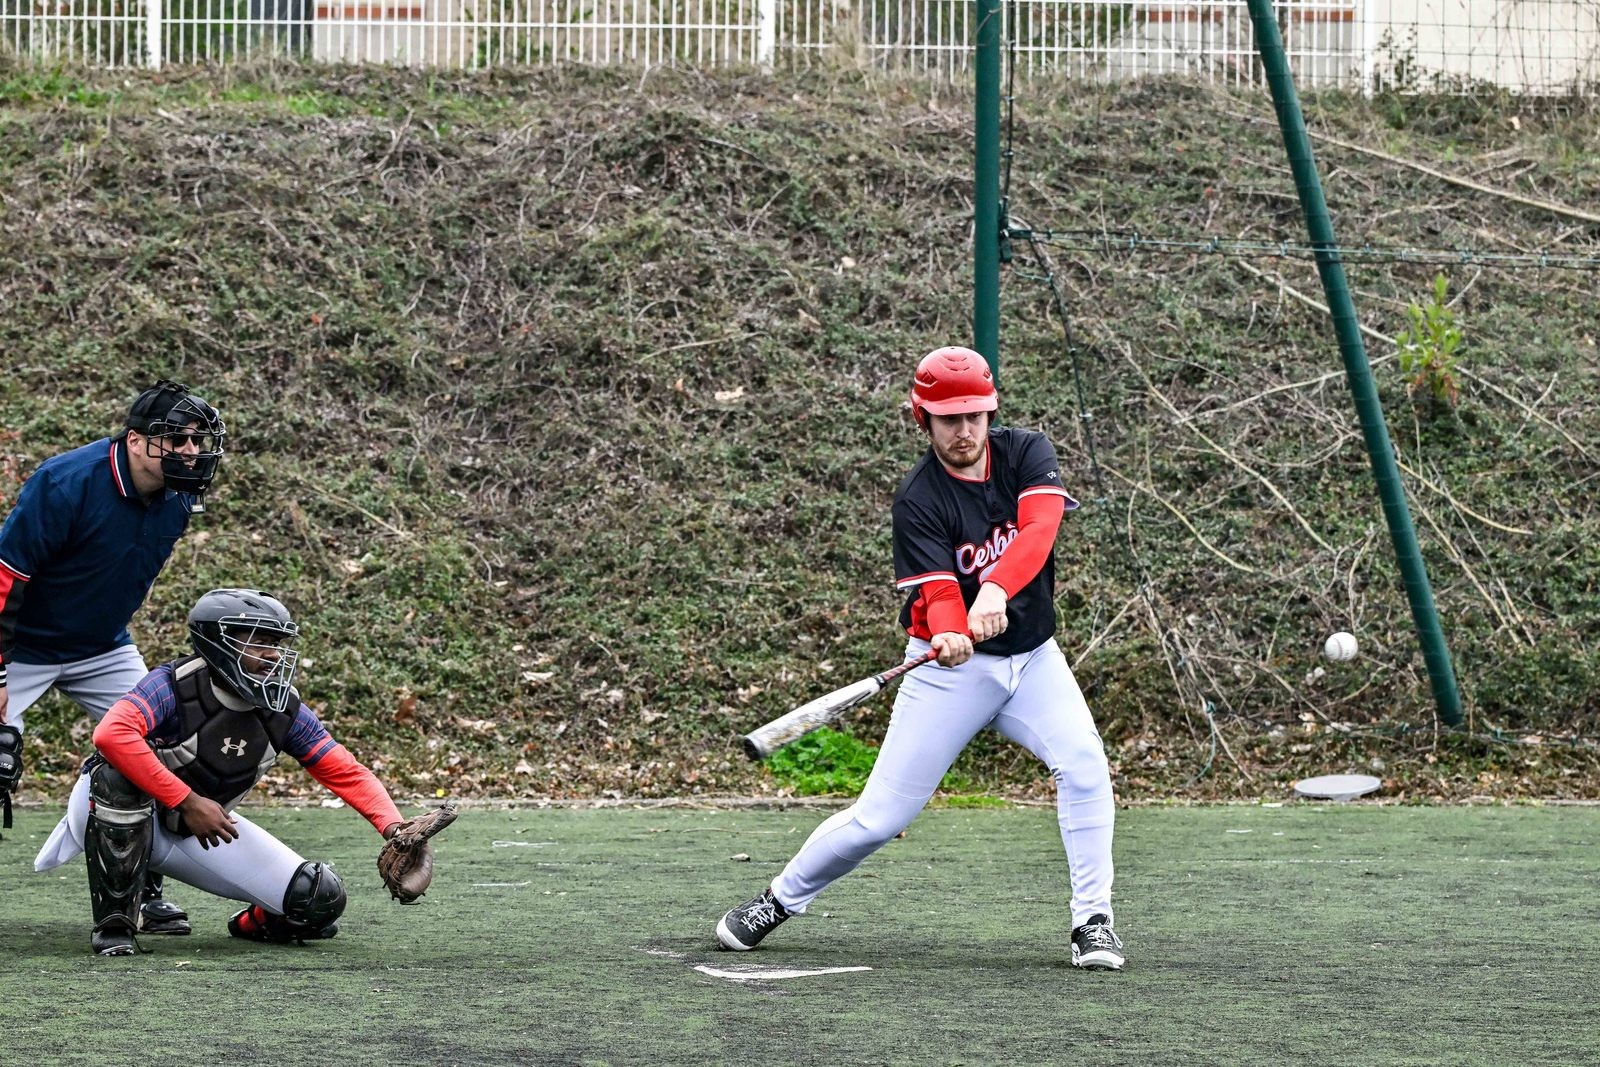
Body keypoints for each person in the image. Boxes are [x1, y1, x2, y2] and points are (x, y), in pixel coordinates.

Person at [716, 346, 1125, 970]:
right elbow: (938, 595)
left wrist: (994, 589)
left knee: (1086, 768)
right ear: (923, 420)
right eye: (948, 419)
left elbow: (1039, 531)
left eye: (974, 416)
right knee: (880, 819)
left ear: (990, 413)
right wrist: (953, 631)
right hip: (949, 673)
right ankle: (778, 900)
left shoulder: (1027, 451)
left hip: (1034, 659)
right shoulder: (918, 498)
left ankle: (1093, 921)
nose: (964, 430)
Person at [34, 588, 410, 956]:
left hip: (191, 829)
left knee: (317, 898)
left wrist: (397, 830)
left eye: (276, 643)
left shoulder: (283, 707)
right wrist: (187, 801)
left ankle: (251, 924)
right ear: (219, 642)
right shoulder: (173, 685)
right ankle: (115, 926)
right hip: (106, 810)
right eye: (259, 642)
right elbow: (112, 735)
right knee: (117, 778)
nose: (273, 654)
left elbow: (346, 771)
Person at [0, 379, 226, 935]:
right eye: (178, 439)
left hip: (101, 646)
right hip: (21, 644)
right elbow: (5, 577)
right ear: (136, 440)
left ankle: (142, 890)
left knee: (165, 747)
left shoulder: (177, 497)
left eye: (197, 440)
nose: (191, 452)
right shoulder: (65, 483)